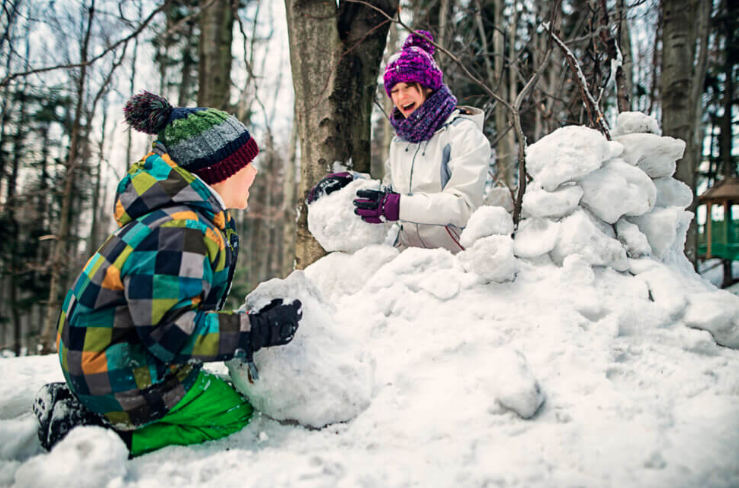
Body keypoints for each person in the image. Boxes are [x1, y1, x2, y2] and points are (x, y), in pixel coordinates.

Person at [32, 92, 302, 457]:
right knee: (233, 412)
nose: (254, 172)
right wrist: (258, 330)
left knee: (213, 387)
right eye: (246, 164)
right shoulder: (180, 230)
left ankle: (87, 405)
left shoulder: (178, 219)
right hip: (116, 372)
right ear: (217, 171)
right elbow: (174, 333)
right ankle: (89, 434)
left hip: (105, 361)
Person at [310, 30, 491, 253]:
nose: (400, 97)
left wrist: (399, 206)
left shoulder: (462, 134)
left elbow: (463, 207)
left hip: (455, 260)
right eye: (394, 90)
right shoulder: (401, 142)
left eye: (408, 87)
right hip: (409, 260)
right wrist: (351, 185)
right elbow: (391, 192)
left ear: (428, 86)